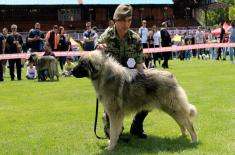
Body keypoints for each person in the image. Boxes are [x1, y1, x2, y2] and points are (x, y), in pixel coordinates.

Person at [97, 4, 148, 139]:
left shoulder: (135, 38)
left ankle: (136, 126)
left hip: (131, 80)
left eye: (129, 20)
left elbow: (139, 65)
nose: (126, 24)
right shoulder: (106, 36)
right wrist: (99, 50)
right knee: (114, 133)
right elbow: (97, 59)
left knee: (149, 92)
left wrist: (143, 82)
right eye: (123, 20)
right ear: (115, 20)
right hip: (112, 84)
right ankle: (109, 121)